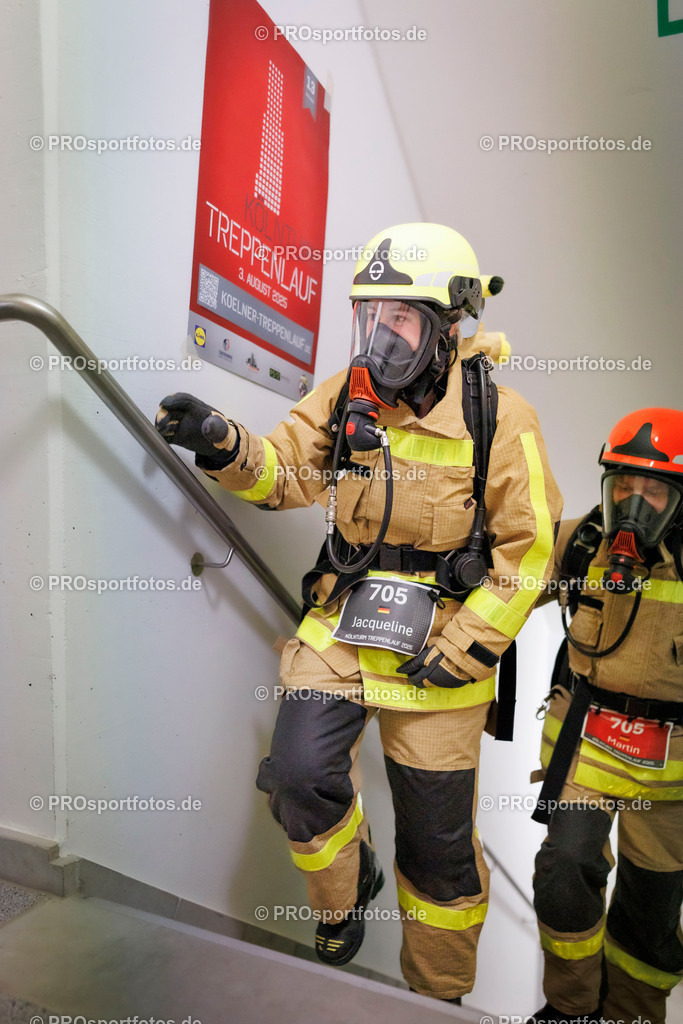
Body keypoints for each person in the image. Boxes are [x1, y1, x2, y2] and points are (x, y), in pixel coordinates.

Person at [156, 222, 562, 1002]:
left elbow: (530, 551)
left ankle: (434, 1000)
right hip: (344, 625)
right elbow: (284, 474)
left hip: (440, 653)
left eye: (400, 319)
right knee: (299, 778)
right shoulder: (348, 395)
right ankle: (345, 897)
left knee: (438, 855)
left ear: (448, 328)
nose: (379, 336)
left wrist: (472, 645)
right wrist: (219, 441)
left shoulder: (500, 418)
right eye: (369, 316)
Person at [530, 408, 683, 1024]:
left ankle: (631, 1017)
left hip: (669, 774)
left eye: (655, 490)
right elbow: (507, 583)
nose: (635, 503)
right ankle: (570, 1009)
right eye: (623, 484)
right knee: (563, 872)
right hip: (587, 748)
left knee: (650, 912)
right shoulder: (585, 542)